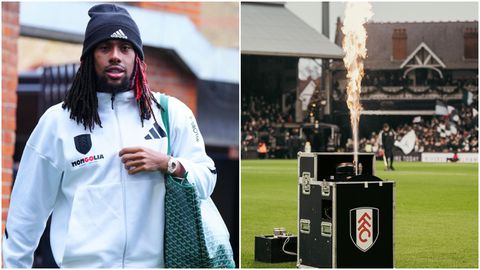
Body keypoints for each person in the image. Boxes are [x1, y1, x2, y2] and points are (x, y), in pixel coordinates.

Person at [3, 4, 217, 268]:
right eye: (105, 48)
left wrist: (168, 164)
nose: (115, 56)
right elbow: (26, 214)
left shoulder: (171, 114)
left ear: (137, 59)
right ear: (89, 56)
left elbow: (207, 179)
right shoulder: (57, 122)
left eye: (125, 48)